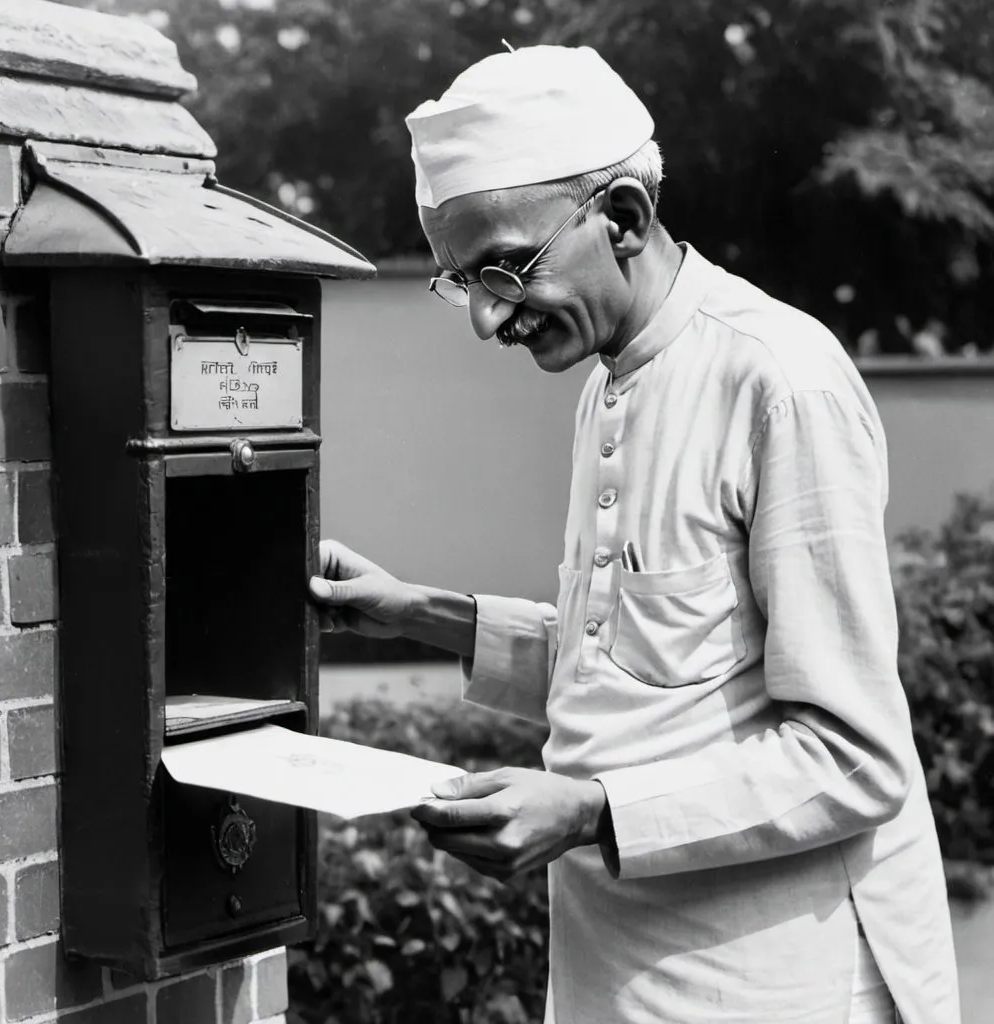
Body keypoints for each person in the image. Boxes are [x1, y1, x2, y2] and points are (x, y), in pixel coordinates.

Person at [308, 45, 960, 1024]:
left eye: (504, 269)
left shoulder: (780, 379)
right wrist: (414, 610)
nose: (487, 318)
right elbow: (647, 671)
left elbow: (851, 756)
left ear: (623, 218)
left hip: (782, 980)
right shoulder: (610, 383)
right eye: (460, 282)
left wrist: (588, 808)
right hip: (624, 968)